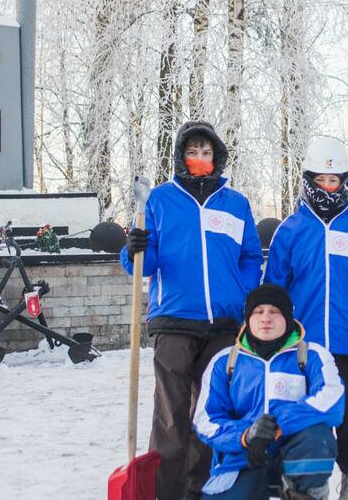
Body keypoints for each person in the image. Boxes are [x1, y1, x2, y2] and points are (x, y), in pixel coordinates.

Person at [121, 121, 265, 500]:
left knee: (209, 412)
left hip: (223, 323)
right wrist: (133, 247)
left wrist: (243, 292)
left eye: (207, 153)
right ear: (181, 156)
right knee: (171, 414)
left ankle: (198, 491)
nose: (200, 159)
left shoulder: (235, 203)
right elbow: (144, 264)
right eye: (193, 152)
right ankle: (165, 493)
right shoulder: (160, 200)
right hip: (174, 320)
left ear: (216, 157)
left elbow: (250, 255)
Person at [264, 136, 348, 500]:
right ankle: (310, 480)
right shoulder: (291, 231)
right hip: (304, 347)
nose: (328, 187)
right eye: (321, 180)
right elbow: (272, 292)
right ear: (309, 180)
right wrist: (271, 342)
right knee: (308, 415)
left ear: (344, 181)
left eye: (334, 180)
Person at [193, 283, 345, 499]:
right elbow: (205, 421)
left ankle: (306, 491)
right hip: (243, 459)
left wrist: (276, 426)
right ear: (247, 319)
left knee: (317, 436)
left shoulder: (311, 355)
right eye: (258, 312)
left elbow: (332, 401)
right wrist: (247, 435)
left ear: (288, 318)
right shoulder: (225, 362)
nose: (266, 318)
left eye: (274, 311)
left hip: (292, 454)